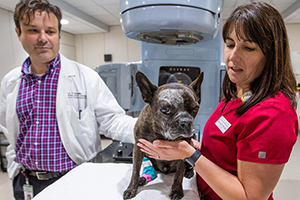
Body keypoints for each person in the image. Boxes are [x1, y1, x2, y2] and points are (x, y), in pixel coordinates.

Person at [138, 2, 298, 200]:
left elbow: (250, 197)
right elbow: (226, 147)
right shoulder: (238, 92)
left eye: (248, 48)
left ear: (272, 56)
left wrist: (190, 155)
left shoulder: (273, 116)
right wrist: (194, 147)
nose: (233, 57)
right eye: (230, 44)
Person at [0, 0, 136, 199]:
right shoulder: (11, 82)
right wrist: (14, 173)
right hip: (26, 182)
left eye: (50, 31)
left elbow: (113, 120)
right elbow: (8, 130)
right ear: (18, 33)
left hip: (73, 180)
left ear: (58, 35)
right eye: (33, 30)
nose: (42, 38)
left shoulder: (85, 77)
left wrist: (147, 129)